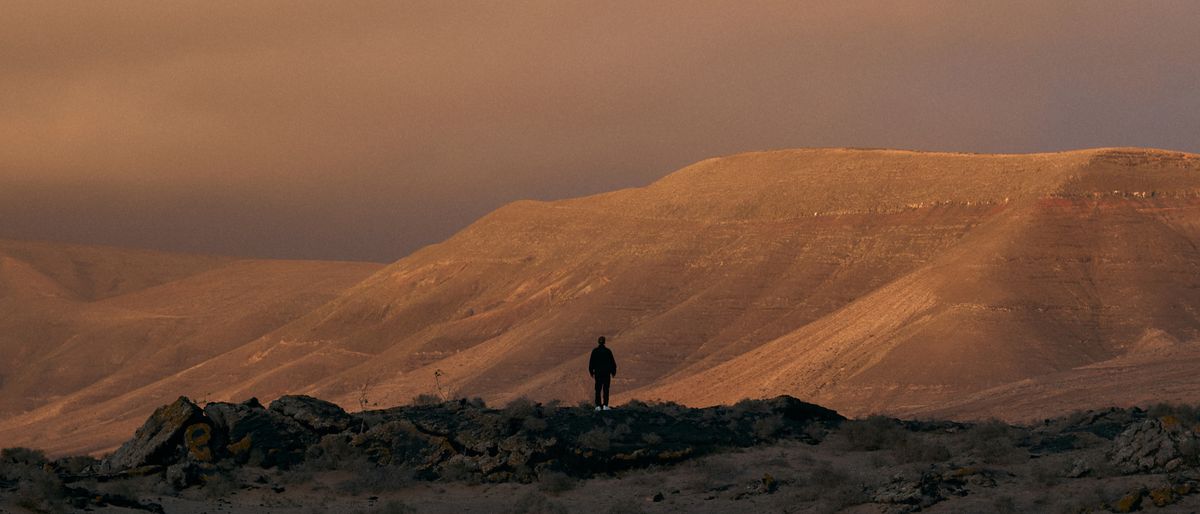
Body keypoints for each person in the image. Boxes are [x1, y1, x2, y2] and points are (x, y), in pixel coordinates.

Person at [588, 336, 617, 411]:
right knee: (606, 389)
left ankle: (598, 406)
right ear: (604, 342)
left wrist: (591, 372)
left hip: (598, 373)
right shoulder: (608, 351)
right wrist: (613, 372)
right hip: (606, 373)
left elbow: (591, 362)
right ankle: (605, 405)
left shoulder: (595, 351)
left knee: (598, 389)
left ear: (598, 341)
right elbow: (612, 363)